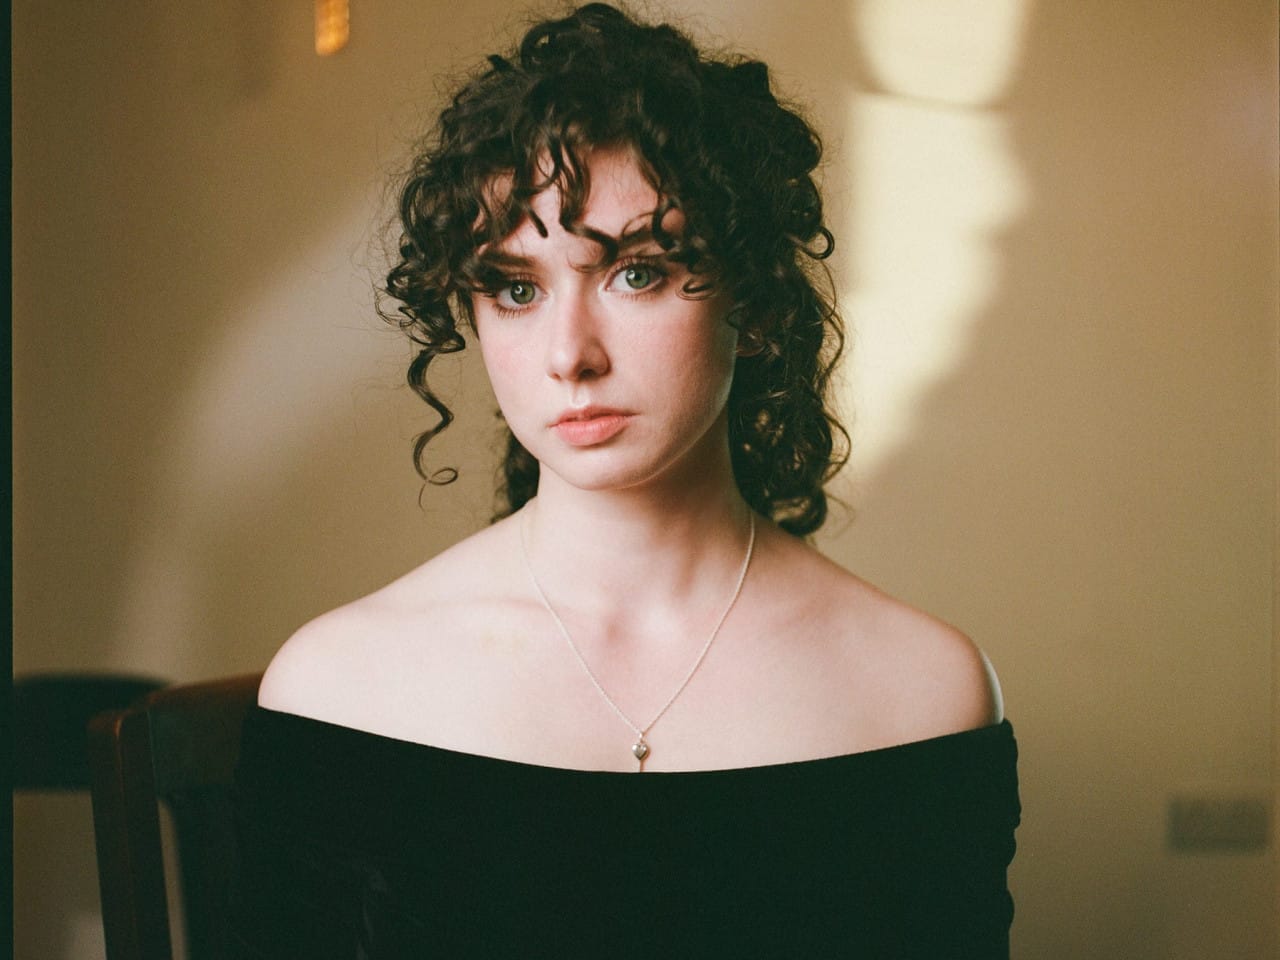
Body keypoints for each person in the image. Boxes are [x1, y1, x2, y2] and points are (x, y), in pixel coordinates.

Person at [231, 4, 1019, 957]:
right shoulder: (336, 687)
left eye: (636, 272)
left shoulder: (924, 696)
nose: (570, 354)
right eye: (516, 289)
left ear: (756, 302)